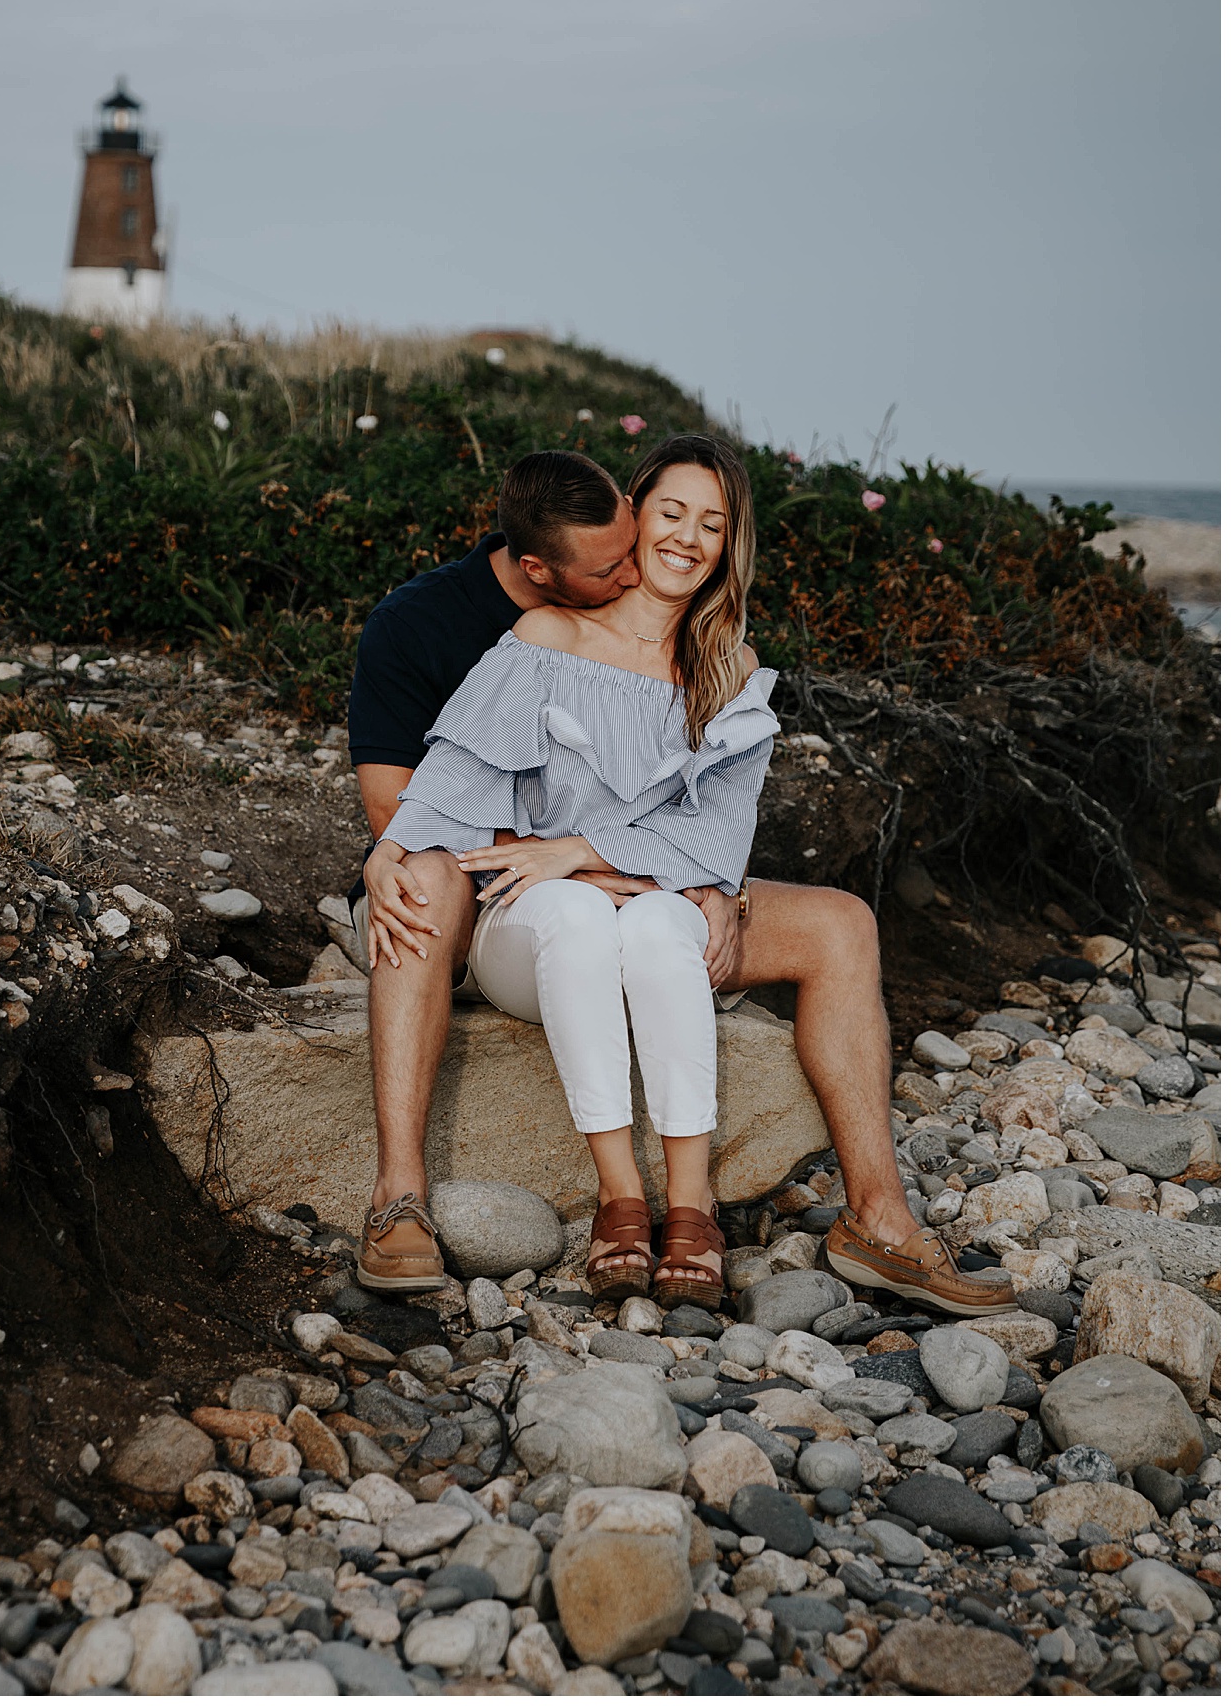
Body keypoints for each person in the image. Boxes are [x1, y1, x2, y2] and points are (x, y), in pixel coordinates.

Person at [350, 438, 1014, 1319]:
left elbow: (718, 834)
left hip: (650, 911)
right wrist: (391, 850)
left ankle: (879, 1219)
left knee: (844, 921)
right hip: (544, 921)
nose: (685, 539)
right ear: (631, 515)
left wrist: (631, 862)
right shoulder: (542, 634)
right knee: (572, 913)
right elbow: (453, 783)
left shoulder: (726, 666)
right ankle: (403, 1196)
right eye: (670, 514)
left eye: (714, 523)